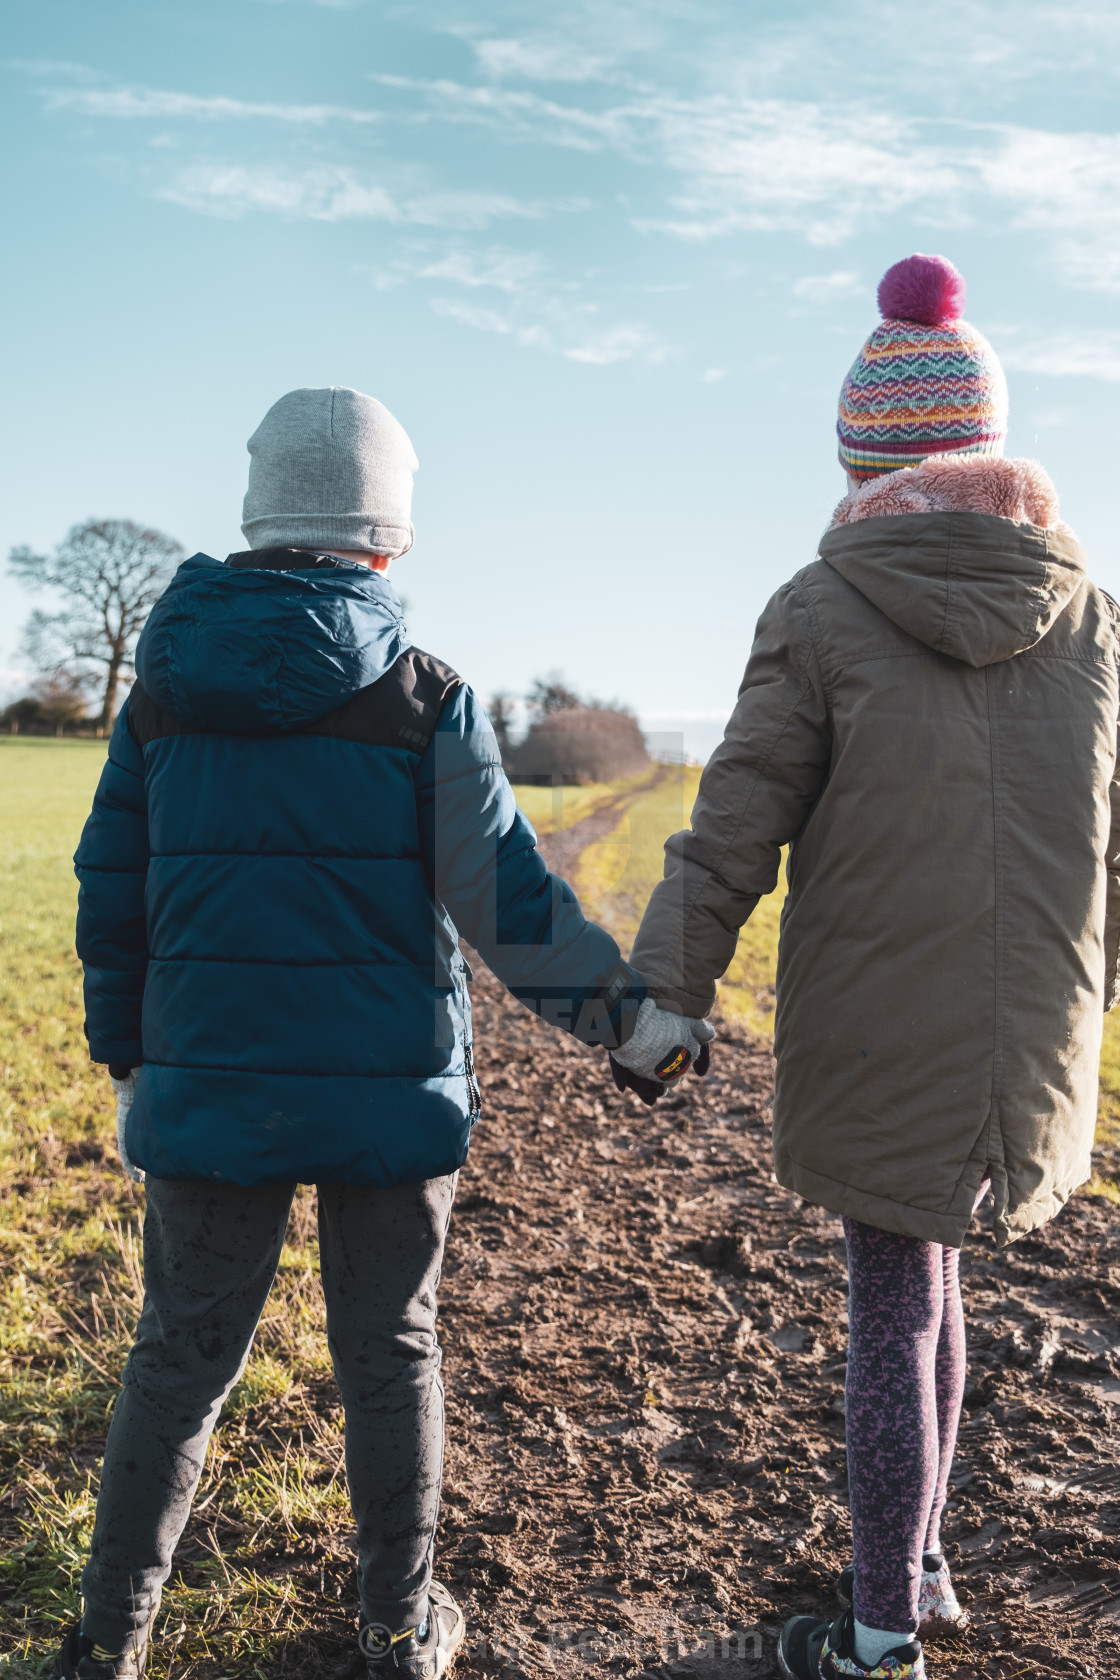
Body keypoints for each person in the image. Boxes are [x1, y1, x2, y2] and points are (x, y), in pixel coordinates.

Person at [60, 385, 703, 1680]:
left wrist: (132, 1053)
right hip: (389, 1100)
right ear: (389, 535)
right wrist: (632, 1030)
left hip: (205, 1095)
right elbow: (513, 904)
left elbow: (108, 885)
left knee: (176, 1365)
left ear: (256, 515)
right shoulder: (427, 699)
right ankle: (400, 1629)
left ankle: (104, 1644)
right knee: (390, 1356)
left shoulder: (161, 692)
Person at [624, 255, 1120, 1679]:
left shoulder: (820, 604)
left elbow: (734, 825)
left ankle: (880, 1631)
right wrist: (1087, 1000)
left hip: (873, 1022)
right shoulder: (1095, 620)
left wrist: (666, 999)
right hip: (1032, 1030)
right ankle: (929, 1570)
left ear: (862, 456)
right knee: (939, 1283)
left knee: (896, 1300)